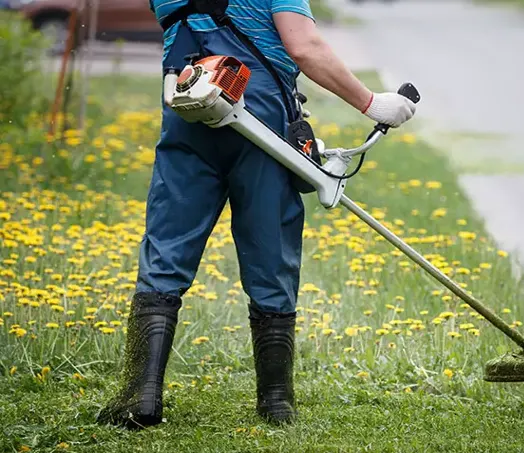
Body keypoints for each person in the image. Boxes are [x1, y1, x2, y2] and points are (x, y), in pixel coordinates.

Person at [96, 0, 416, 429]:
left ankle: (140, 397)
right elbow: (303, 46)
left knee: (167, 243)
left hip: (190, 100)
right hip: (258, 107)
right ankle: (276, 401)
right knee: (270, 244)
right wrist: (372, 102)